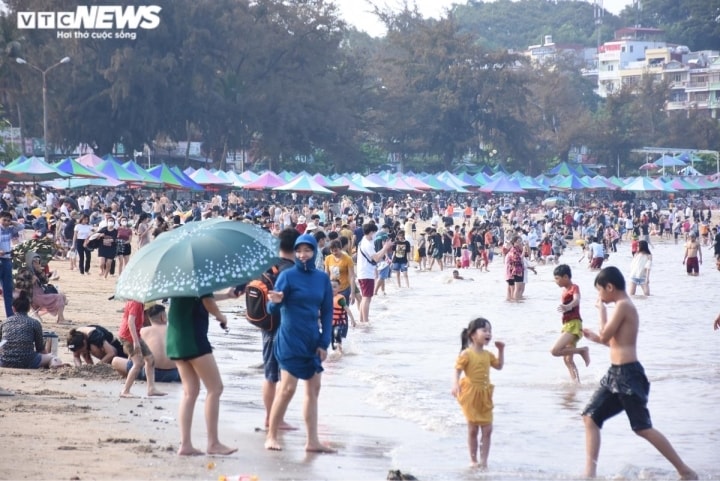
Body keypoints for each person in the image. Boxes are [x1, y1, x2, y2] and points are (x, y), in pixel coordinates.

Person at [581, 266, 697, 480]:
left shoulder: (623, 306)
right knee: (590, 417)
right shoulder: (622, 307)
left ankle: (685, 470)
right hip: (615, 374)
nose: (599, 296)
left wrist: (601, 311)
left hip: (628, 375)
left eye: (600, 291)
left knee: (642, 428)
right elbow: (614, 344)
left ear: (609, 287)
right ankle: (589, 474)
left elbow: (606, 335)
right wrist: (593, 338)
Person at [264, 234, 335, 452]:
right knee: (287, 389)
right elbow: (271, 309)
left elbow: (327, 313)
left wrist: (324, 342)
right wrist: (274, 303)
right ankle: (271, 436)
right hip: (289, 338)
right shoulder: (288, 276)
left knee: (313, 390)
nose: (303, 255)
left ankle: (312, 441)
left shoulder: (322, 278)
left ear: (315, 251)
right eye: (299, 251)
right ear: (294, 252)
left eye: (308, 250)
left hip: (312, 339)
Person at [166, 289, 238, 456]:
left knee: (190, 392)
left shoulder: (180, 279)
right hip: (193, 338)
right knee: (215, 389)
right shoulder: (198, 276)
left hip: (176, 339)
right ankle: (213, 443)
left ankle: (185, 445)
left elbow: (202, 297)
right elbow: (207, 301)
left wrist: (227, 295)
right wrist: (221, 316)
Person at [257, 228, 298, 431]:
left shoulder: (267, 266)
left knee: (270, 375)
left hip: (266, 323)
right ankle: (278, 419)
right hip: (285, 326)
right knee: (285, 375)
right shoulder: (291, 270)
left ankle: (268, 417)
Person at [451, 317, 505, 469]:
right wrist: (455, 383)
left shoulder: (487, 355)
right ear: (473, 335)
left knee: (488, 429)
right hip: (470, 395)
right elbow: (457, 370)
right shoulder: (466, 354)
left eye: (490, 331)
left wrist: (501, 350)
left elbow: (499, 366)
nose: (488, 333)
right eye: (485, 330)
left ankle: (484, 461)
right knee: (473, 429)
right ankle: (473, 460)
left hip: (485, 395)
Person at [111, 304, 180, 383]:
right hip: (174, 374)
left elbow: (127, 351)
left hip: (151, 373)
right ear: (163, 317)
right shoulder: (175, 330)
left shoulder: (143, 331)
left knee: (115, 361)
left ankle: (130, 377)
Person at [0, 293, 64, 369]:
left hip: (5, 361)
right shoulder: (34, 323)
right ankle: (54, 366)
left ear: (13, 308)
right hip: (28, 361)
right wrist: (48, 357)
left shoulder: (5, 323)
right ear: (29, 308)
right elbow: (40, 348)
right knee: (53, 357)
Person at [117, 300, 166, 398]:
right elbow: (131, 322)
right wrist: (135, 342)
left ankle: (151, 388)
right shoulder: (136, 303)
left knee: (150, 359)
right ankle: (125, 391)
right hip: (128, 337)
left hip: (135, 336)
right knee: (138, 363)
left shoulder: (139, 303)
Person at [551, 264, 590, 383]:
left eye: (557, 278)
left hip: (574, 324)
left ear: (566, 277)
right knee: (568, 360)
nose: (555, 281)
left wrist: (568, 306)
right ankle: (576, 384)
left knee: (555, 351)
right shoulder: (564, 290)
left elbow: (577, 299)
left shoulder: (574, 287)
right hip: (567, 324)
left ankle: (582, 350)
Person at [14, 251, 69, 324]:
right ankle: (61, 320)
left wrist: (40, 271)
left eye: (38, 261)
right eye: (35, 262)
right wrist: (31, 282)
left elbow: (46, 281)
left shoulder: (36, 271)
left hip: (41, 294)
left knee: (63, 296)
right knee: (59, 297)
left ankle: (60, 318)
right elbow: (19, 284)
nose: (37, 263)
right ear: (30, 261)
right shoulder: (24, 271)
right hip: (33, 296)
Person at [356, 222, 393, 323]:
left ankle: (362, 320)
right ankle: (365, 321)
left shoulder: (364, 241)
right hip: (366, 273)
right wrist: (385, 247)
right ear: (371, 232)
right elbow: (376, 258)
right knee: (367, 298)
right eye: (375, 233)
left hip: (363, 272)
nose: (375, 235)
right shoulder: (367, 244)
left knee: (365, 297)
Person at [0, 211, 25, 317]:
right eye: (4, 220)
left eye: (8, 220)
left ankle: (10, 316)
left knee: (8, 290)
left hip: (7, 260)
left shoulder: (10, 229)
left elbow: (21, 226)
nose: (6, 222)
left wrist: (12, 222)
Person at [331, 279, 355, 354]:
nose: (332, 289)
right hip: (331, 323)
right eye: (330, 287)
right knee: (331, 337)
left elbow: (347, 309)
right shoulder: (327, 298)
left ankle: (340, 350)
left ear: (339, 288)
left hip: (339, 322)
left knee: (337, 333)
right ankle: (334, 351)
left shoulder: (340, 299)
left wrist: (352, 320)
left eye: (334, 287)